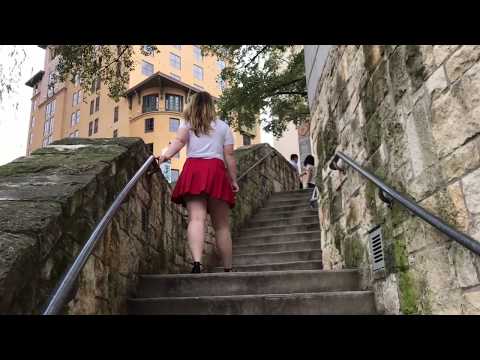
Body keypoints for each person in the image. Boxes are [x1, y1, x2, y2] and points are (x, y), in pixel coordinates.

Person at [156, 91, 239, 274]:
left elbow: (178, 143)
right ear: (211, 106)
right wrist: (233, 180)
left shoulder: (188, 124)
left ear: (192, 104)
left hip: (194, 169)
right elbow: (230, 156)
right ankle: (228, 267)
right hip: (216, 171)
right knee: (222, 225)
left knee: (196, 218)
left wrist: (164, 156)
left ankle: (196, 263)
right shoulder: (223, 127)